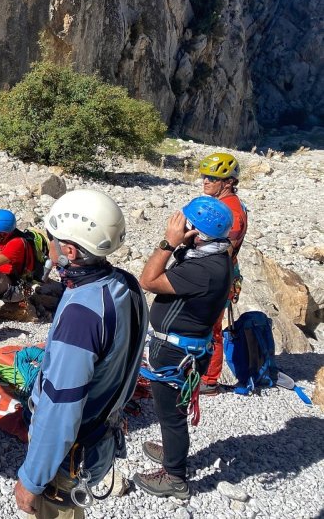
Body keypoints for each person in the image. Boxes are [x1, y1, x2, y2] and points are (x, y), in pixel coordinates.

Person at [14, 189, 148, 519]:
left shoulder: (82, 314)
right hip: (100, 434)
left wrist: (32, 480)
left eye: (52, 240)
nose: (48, 246)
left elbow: (61, 406)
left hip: (70, 456)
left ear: (70, 250)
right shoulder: (125, 285)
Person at [134, 196, 233, 500]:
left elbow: (148, 280)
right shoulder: (215, 256)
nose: (180, 223)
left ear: (197, 232)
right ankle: (172, 452)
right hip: (188, 349)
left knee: (171, 415)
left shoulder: (204, 269)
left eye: (186, 223)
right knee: (172, 410)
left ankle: (175, 477)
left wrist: (167, 243)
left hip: (177, 354)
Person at [197, 153, 248, 394]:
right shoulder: (224, 205)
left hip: (217, 277)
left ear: (227, 182)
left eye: (212, 178)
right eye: (205, 176)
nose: (205, 181)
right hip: (215, 273)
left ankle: (208, 379)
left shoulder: (232, 212)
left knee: (210, 328)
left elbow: (223, 248)